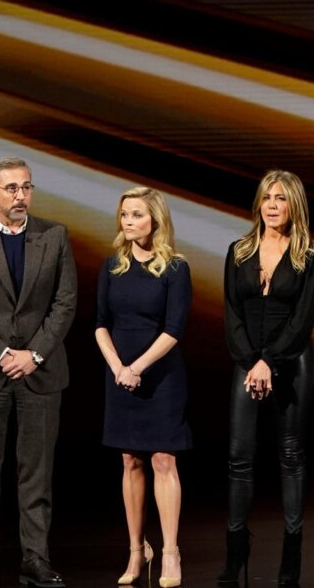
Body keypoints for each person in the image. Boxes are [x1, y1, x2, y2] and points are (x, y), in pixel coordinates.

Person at [0, 157, 78, 588]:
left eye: (26, 188)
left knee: (36, 473)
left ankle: (35, 559)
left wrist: (34, 354)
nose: (20, 196)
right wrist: (4, 353)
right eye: (11, 189)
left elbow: (65, 304)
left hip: (40, 372)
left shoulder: (54, 236)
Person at [217, 170, 314, 588]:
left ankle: (292, 551)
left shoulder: (310, 256)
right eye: (267, 197)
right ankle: (235, 549)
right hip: (248, 364)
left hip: (292, 361)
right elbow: (231, 314)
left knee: (291, 455)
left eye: (281, 198)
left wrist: (271, 361)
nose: (273, 205)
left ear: (293, 204)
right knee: (239, 458)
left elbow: (302, 322)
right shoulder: (239, 250)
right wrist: (252, 362)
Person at [94, 186, 193, 588]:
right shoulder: (112, 266)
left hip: (160, 375)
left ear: (155, 218)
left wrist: (137, 366)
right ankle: (137, 551)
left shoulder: (175, 268)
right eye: (124, 215)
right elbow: (100, 323)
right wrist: (119, 367)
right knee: (129, 460)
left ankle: (170, 552)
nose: (128, 222)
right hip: (120, 374)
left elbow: (174, 330)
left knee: (163, 460)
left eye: (136, 214)